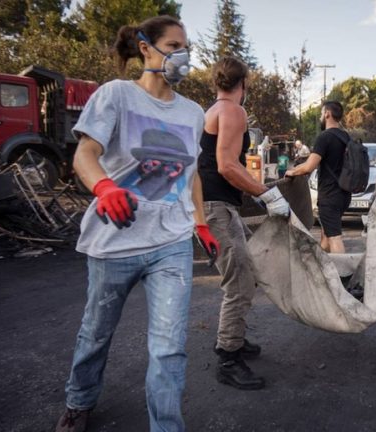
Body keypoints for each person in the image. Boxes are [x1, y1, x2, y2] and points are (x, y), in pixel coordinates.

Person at [54, 16, 219, 432]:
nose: (183, 55)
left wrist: (200, 224)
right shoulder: (116, 96)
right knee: (96, 333)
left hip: (172, 242)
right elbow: (85, 155)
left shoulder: (193, 112)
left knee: (169, 349)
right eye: (174, 45)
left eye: (187, 47)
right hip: (115, 242)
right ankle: (80, 399)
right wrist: (105, 188)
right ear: (146, 47)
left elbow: (192, 174)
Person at [198, 55, 291, 390]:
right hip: (216, 208)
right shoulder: (233, 111)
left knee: (247, 271)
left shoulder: (211, 110)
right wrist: (268, 195)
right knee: (238, 282)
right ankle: (228, 357)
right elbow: (226, 165)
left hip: (220, 206)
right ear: (244, 84)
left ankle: (232, 337)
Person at [285, 101, 352, 253]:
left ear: (327, 113)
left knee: (334, 237)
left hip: (329, 195)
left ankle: (341, 275)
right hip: (344, 194)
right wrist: (297, 168)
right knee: (326, 235)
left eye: (322, 113)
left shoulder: (325, 137)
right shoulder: (345, 137)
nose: (321, 117)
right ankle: (322, 270)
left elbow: (309, 166)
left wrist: (293, 172)